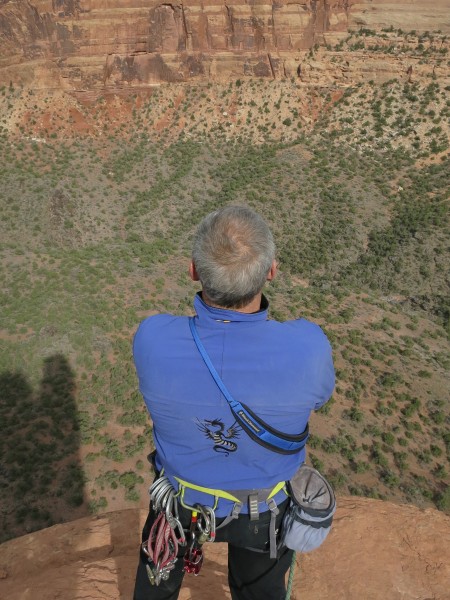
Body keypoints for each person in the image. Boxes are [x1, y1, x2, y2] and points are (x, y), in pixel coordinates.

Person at [133, 205, 335, 600]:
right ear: (271, 271)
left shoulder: (152, 338)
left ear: (193, 270)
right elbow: (321, 398)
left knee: (155, 586)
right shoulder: (308, 347)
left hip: (178, 503)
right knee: (260, 591)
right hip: (263, 509)